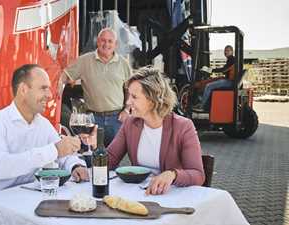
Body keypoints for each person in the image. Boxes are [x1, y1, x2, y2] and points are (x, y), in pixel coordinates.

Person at [86, 67, 205, 195]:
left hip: (172, 195)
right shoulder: (130, 124)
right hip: (141, 194)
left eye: (134, 97)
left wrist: (172, 174)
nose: (127, 101)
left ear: (153, 100)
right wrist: (95, 147)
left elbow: (198, 175)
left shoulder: (183, 126)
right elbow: (110, 160)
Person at [0, 64, 88, 196]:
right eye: (43, 88)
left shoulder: (43, 124)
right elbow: (0, 167)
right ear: (23, 90)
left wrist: (76, 166)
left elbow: (63, 156)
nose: (50, 95)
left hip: (26, 198)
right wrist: (55, 150)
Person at [59, 28, 132, 146]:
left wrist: (127, 110)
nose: (106, 44)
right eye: (103, 40)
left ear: (116, 44)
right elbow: (65, 76)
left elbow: (131, 89)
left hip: (117, 119)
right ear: (97, 42)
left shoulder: (123, 63)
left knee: (115, 156)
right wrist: (57, 89)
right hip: (93, 119)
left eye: (110, 41)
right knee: (92, 155)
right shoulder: (85, 60)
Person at [196, 45, 236, 111]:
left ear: (232, 52)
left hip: (230, 82)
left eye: (228, 50)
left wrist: (209, 70)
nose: (226, 52)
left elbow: (223, 70)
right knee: (209, 81)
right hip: (228, 80)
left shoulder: (232, 59)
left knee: (208, 86)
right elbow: (225, 71)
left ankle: (201, 106)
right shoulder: (230, 59)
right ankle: (202, 100)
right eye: (225, 50)